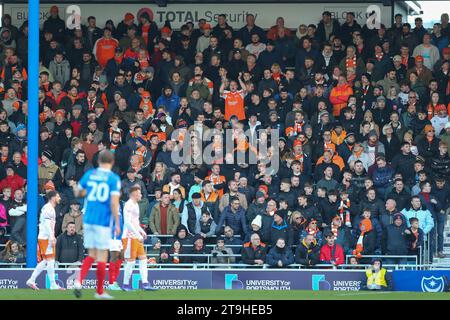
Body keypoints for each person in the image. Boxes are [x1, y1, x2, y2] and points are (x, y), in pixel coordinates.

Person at [71, 150, 122, 299]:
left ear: (98, 161)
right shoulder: (113, 178)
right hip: (102, 221)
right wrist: (117, 223)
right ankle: (99, 291)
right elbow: (114, 203)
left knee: (91, 254)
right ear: (112, 162)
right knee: (101, 255)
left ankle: (79, 281)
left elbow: (78, 193)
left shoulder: (90, 174)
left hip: (88, 219)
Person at [26, 191, 64, 290]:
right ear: (52, 198)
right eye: (58, 196)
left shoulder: (48, 208)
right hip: (46, 237)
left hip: (44, 236)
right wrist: (52, 237)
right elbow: (47, 224)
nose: (59, 198)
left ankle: (32, 280)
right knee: (50, 260)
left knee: (47, 260)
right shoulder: (49, 209)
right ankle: (52, 284)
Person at [121, 185, 156, 291]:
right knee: (131, 261)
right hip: (129, 236)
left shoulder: (135, 204)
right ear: (134, 194)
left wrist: (141, 231)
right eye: (139, 193)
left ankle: (145, 283)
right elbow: (127, 223)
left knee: (143, 259)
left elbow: (135, 222)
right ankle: (125, 285)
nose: (141, 195)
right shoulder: (128, 205)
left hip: (135, 235)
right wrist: (138, 234)